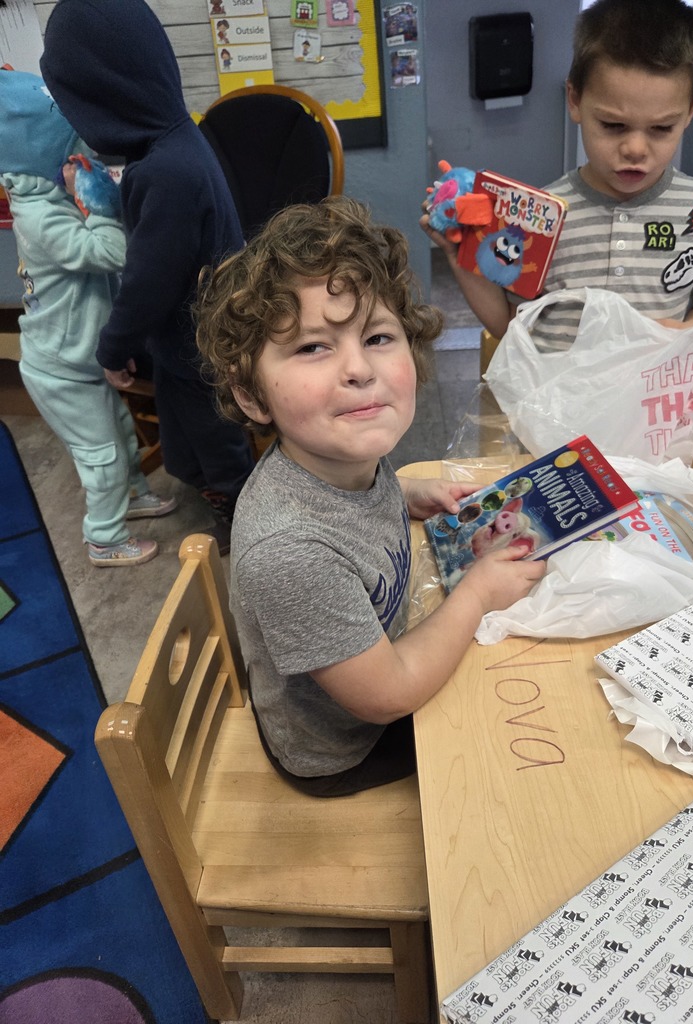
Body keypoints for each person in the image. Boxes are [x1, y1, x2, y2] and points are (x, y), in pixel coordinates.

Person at [196, 196, 546, 797]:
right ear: (252, 396)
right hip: (347, 747)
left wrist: (411, 492)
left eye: (378, 336)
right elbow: (390, 694)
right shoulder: (291, 552)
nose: (359, 369)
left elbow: (354, 513)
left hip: (379, 661)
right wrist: (480, 593)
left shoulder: (342, 455)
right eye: (312, 347)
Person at [40, 0, 255, 554]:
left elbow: (149, 281)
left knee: (215, 435)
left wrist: (114, 347)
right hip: (188, 338)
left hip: (202, 342)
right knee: (186, 437)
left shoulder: (164, 171)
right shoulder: (174, 142)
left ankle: (242, 515)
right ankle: (207, 485)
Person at [421, 0, 693, 353]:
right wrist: (461, 259)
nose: (635, 148)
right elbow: (509, 325)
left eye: (662, 128)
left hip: (653, 400)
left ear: (690, 111)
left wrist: (689, 331)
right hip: (556, 402)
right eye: (613, 125)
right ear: (574, 99)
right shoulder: (537, 217)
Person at [0, 69, 176, 567]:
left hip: (75, 356)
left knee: (120, 432)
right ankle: (104, 536)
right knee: (101, 454)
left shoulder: (48, 197)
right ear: (42, 155)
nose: (84, 156)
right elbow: (111, 251)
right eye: (72, 148)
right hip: (59, 369)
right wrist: (102, 207)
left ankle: (133, 497)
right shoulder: (41, 216)